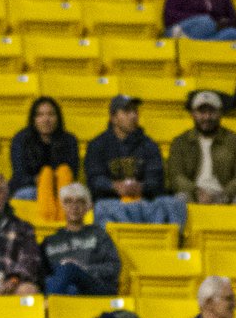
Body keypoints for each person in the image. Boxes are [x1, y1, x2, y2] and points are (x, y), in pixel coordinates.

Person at [84, 95, 180, 225]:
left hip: (143, 204)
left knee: (174, 203)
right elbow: (94, 179)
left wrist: (141, 187)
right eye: (127, 111)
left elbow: (157, 180)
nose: (133, 116)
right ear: (113, 118)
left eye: (135, 111)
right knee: (102, 207)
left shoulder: (149, 145)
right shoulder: (97, 145)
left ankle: (164, 241)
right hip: (112, 203)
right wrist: (115, 186)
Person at [40, 181, 121, 295]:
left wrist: (83, 268)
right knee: (68, 288)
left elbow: (113, 267)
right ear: (62, 206)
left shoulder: (99, 234)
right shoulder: (51, 240)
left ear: (88, 206)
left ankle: (48, 306)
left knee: (68, 268)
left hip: (94, 287)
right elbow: (40, 272)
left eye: (80, 202)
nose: (74, 206)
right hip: (66, 289)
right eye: (68, 202)